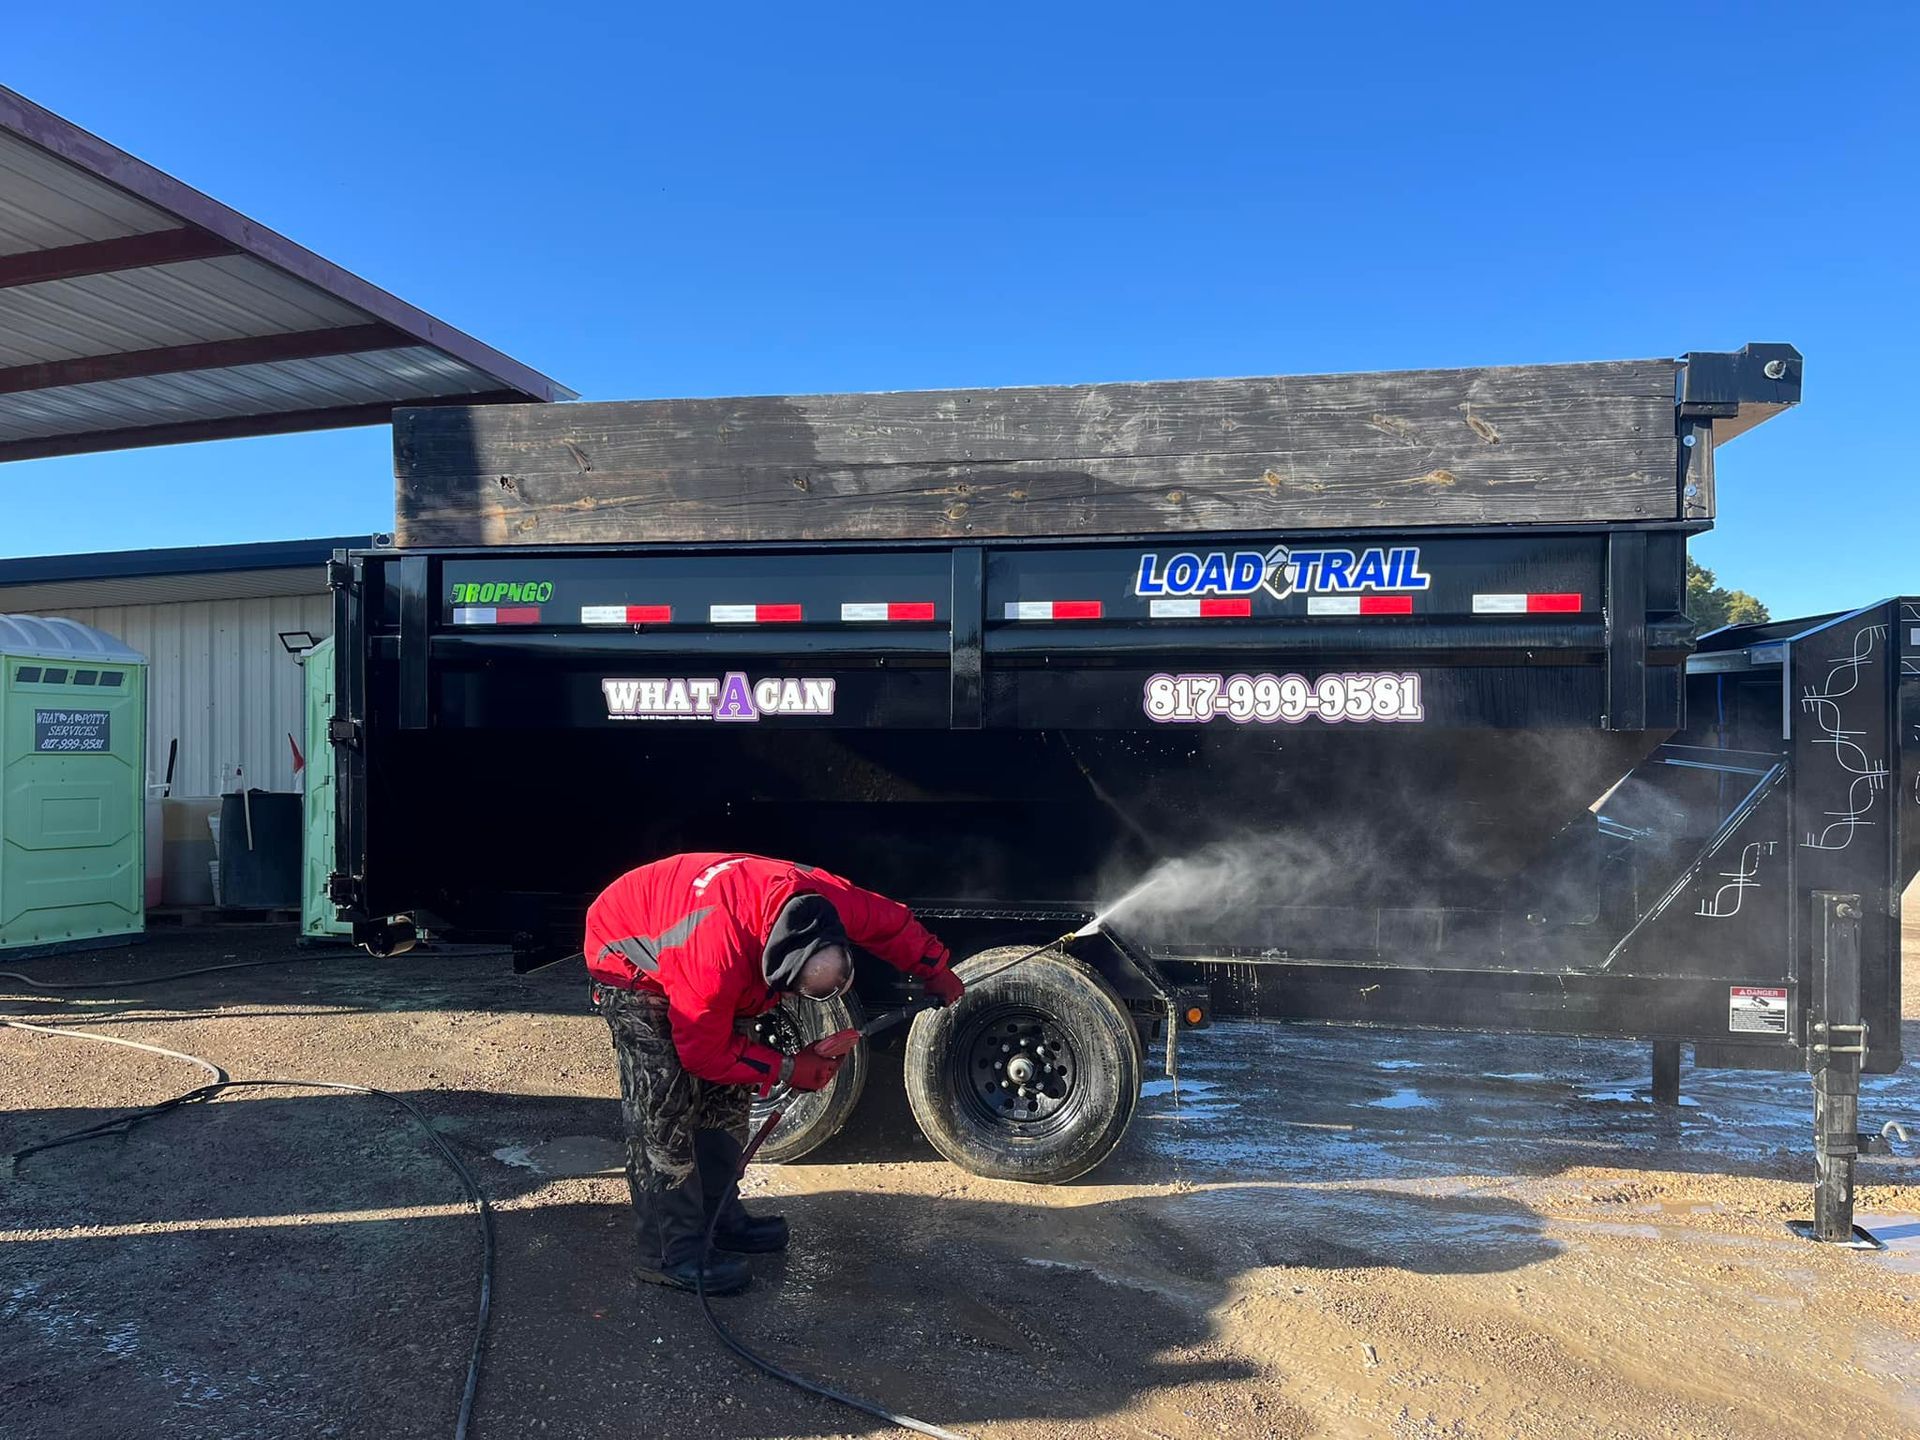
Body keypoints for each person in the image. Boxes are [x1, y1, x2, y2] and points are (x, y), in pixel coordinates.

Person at [583, 851, 965, 1294]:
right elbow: (701, 1054)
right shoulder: (713, 960)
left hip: (717, 942)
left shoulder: (823, 900)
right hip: (631, 957)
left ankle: (719, 1217)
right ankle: (671, 1253)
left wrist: (933, 968)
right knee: (666, 1105)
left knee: (728, 1097)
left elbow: (889, 922)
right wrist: (788, 1066)